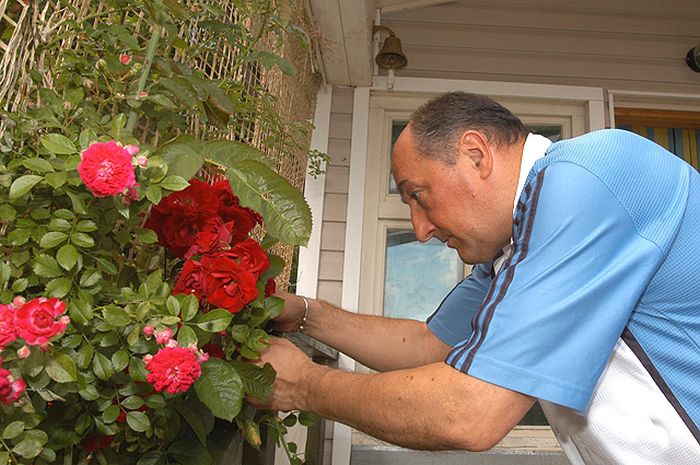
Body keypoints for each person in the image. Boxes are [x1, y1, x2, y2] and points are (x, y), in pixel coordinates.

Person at [250, 92, 700, 464]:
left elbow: (471, 412)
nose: (421, 229)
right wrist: (306, 314)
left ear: (475, 154)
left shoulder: (588, 177)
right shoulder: (511, 249)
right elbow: (428, 346)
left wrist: (304, 385)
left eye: (418, 196)